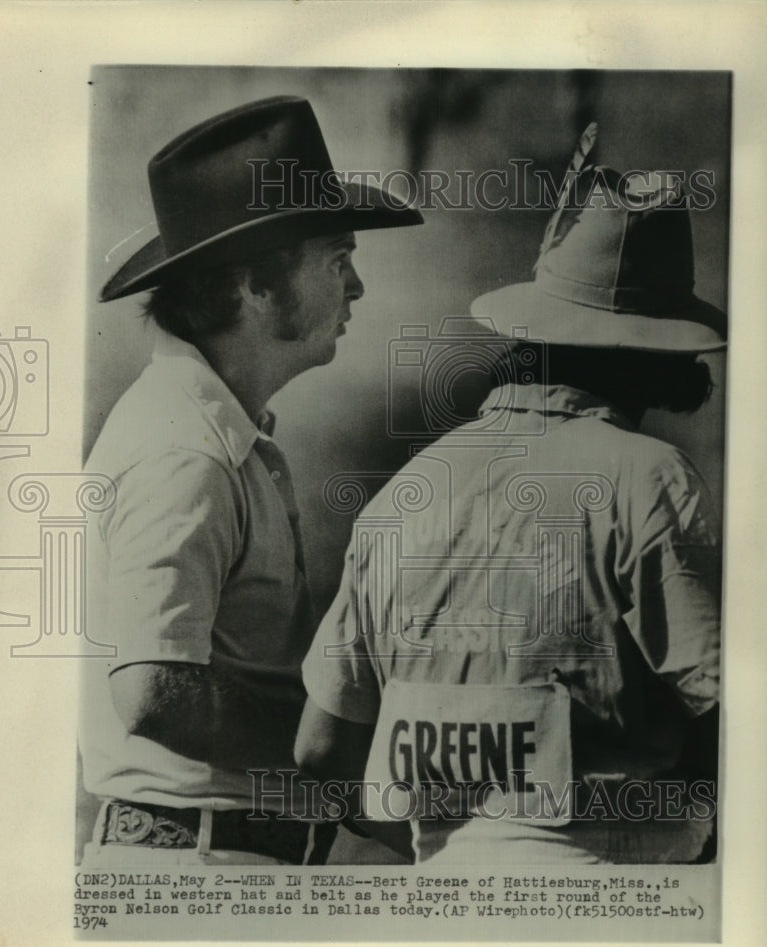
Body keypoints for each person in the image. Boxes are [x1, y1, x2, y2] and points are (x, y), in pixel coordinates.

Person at [295, 158, 725, 865]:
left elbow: (321, 750)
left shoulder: (409, 490)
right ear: (658, 354)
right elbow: (730, 712)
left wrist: (465, 843)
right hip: (618, 898)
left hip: (440, 901)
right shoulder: (647, 476)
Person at [79, 95, 422, 865]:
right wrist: (336, 752)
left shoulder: (216, 433)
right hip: (195, 870)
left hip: (216, 867)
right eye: (338, 260)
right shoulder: (186, 449)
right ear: (253, 287)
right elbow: (152, 690)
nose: (357, 288)